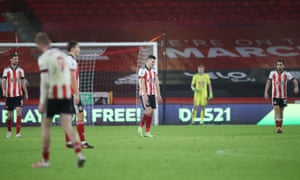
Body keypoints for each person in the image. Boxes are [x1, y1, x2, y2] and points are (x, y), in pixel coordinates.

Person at [32, 32, 85, 168]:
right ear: (49, 42)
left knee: (45, 126)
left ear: (38, 45)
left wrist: (42, 102)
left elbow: (44, 81)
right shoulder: (62, 55)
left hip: (52, 95)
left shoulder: (43, 58)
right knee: (67, 125)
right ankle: (79, 154)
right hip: (66, 94)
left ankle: (45, 160)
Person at [65, 41, 94, 149]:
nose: (79, 50)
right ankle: (83, 142)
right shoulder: (71, 61)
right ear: (73, 49)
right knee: (80, 116)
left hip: (66, 92)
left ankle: (68, 143)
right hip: (72, 93)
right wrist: (77, 94)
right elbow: (72, 78)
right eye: (78, 48)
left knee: (69, 117)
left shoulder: (65, 60)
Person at [264, 59, 298, 133]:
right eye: (278, 64)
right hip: (275, 95)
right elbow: (268, 82)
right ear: (276, 66)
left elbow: (294, 80)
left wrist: (296, 87)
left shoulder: (286, 74)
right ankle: (278, 128)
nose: (279, 66)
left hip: (283, 96)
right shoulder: (272, 73)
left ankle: (280, 127)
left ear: (283, 66)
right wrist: (266, 92)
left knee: (281, 112)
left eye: (280, 64)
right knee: (276, 109)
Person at [2, 52, 29, 138]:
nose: (16, 60)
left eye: (17, 59)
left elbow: (23, 82)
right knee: (9, 115)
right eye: (14, 59)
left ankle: (18, 133)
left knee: (18, 111)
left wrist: (26, 93)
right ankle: (9, 131)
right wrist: (4, 90)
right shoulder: (6, 70)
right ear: (10, 60)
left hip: (18, 94)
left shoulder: (21, 70)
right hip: (9, 95)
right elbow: (4, 81)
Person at [137, 55, 162, 137]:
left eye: (154, 62)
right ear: (148, 60)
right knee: (149, 110)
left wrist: (159, 95)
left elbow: (157, 83)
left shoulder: (154, 71)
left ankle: (147, 132)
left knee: (151, 112)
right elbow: (142, 83)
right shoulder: (142, 70)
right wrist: (145, 95)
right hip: (144, 93)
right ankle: (140, 126)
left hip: (152, 93)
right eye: (152, 61)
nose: (153, 63)